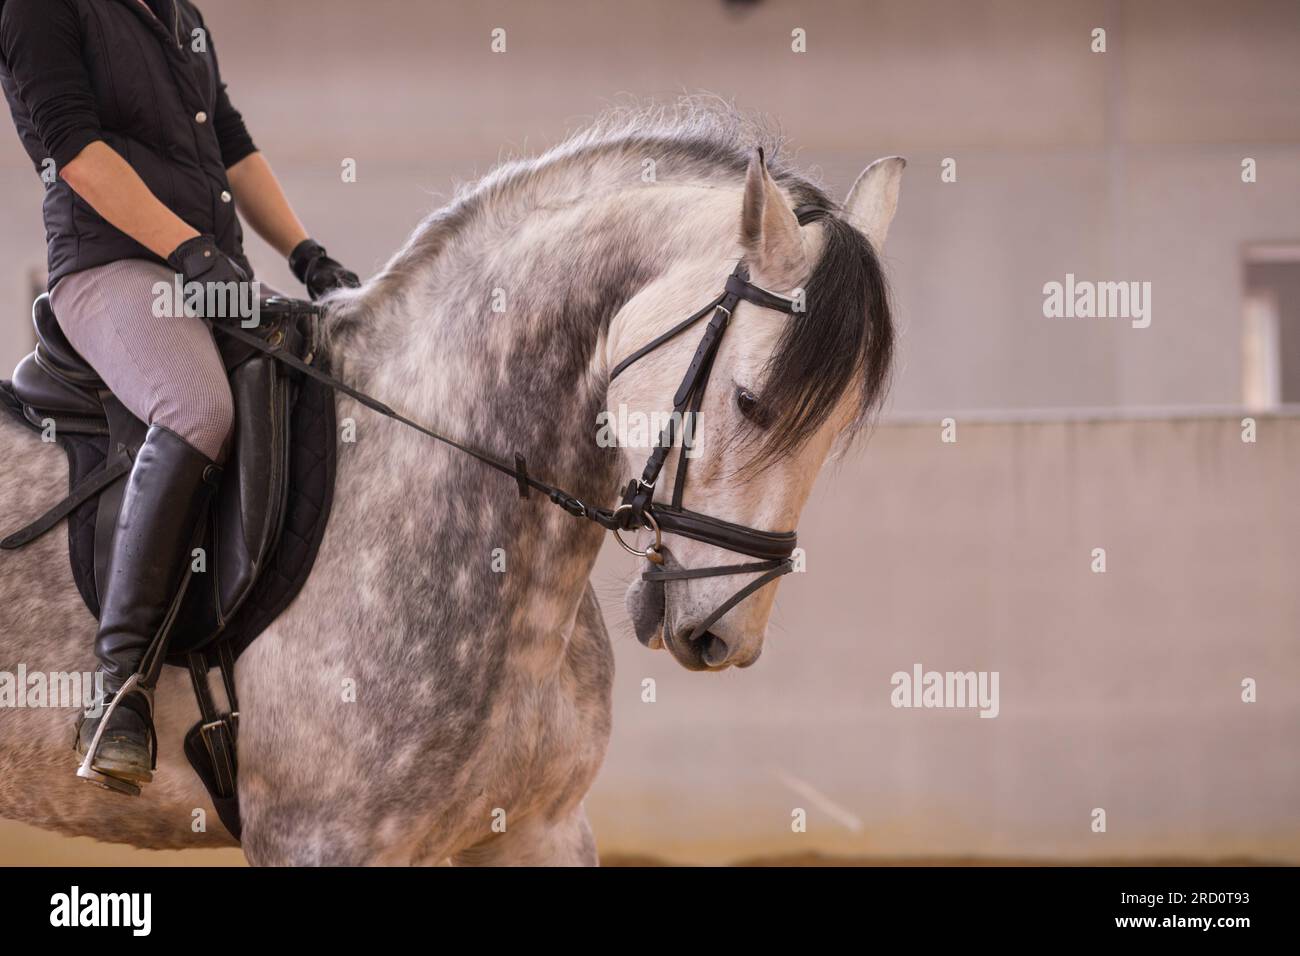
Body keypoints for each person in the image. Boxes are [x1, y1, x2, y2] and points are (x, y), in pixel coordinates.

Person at [0, 0, 359, 790]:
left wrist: (307, 255)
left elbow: (229, 143)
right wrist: (188, 249)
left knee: (323, 380)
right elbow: (75, 149)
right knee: (197, 408)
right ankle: (118, 689)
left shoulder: (177, 10)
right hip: (111, 268)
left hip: (207, 272)